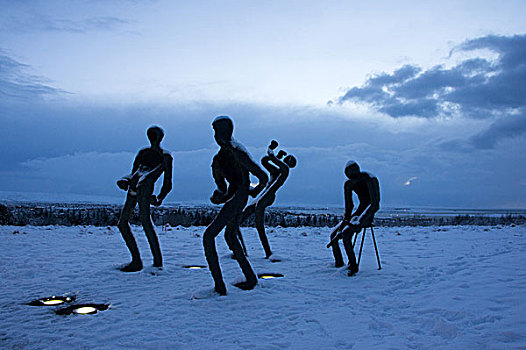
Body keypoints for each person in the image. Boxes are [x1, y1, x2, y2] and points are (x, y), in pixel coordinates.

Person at [203, 116, 268, 295]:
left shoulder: (237, 152)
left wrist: (251, 192)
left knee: (209, 236)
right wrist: (219, 197)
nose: (217, 136)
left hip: (239, 197)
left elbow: (263, 177)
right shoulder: (218, 159)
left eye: (219, 132)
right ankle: (250, 278)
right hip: (236, 196)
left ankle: (219, 287)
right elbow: (223, 189)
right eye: (215, 132)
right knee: (230, 236)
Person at [116, 126, 173, 272]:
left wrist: (160, 198)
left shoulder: (165, 156)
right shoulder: (143, 153)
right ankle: (136, 260)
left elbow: (167, 183)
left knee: (146, 223)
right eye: (151, 135)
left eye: (155, 136)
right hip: (133, 189)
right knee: (123, 223)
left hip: (145, 190)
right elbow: (134, 172)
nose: (153, 138)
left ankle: (157, 262)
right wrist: (125, 180)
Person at [240, 140, 297, 258]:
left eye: (289, 159)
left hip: (267, 197)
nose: (287, 159)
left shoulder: (285, 170)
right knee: (240, 219)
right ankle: (241, 250)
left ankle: (268, 252)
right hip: (263, 195)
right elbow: (265, 161)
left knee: (259, 224)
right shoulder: (277, 171)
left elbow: (270, 157)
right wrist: (277, 156)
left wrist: (272, 149)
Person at [330, 160, 380, 276]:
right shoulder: (349, 184)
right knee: (334, 235)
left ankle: (353, 265)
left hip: (368, 213)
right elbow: (349, 206)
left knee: (347, 235)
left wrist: (361, 221)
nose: (353, 179)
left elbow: (375, 204)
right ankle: (339, 263)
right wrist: (345, 221)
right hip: (359, 212)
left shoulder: (370, 179)